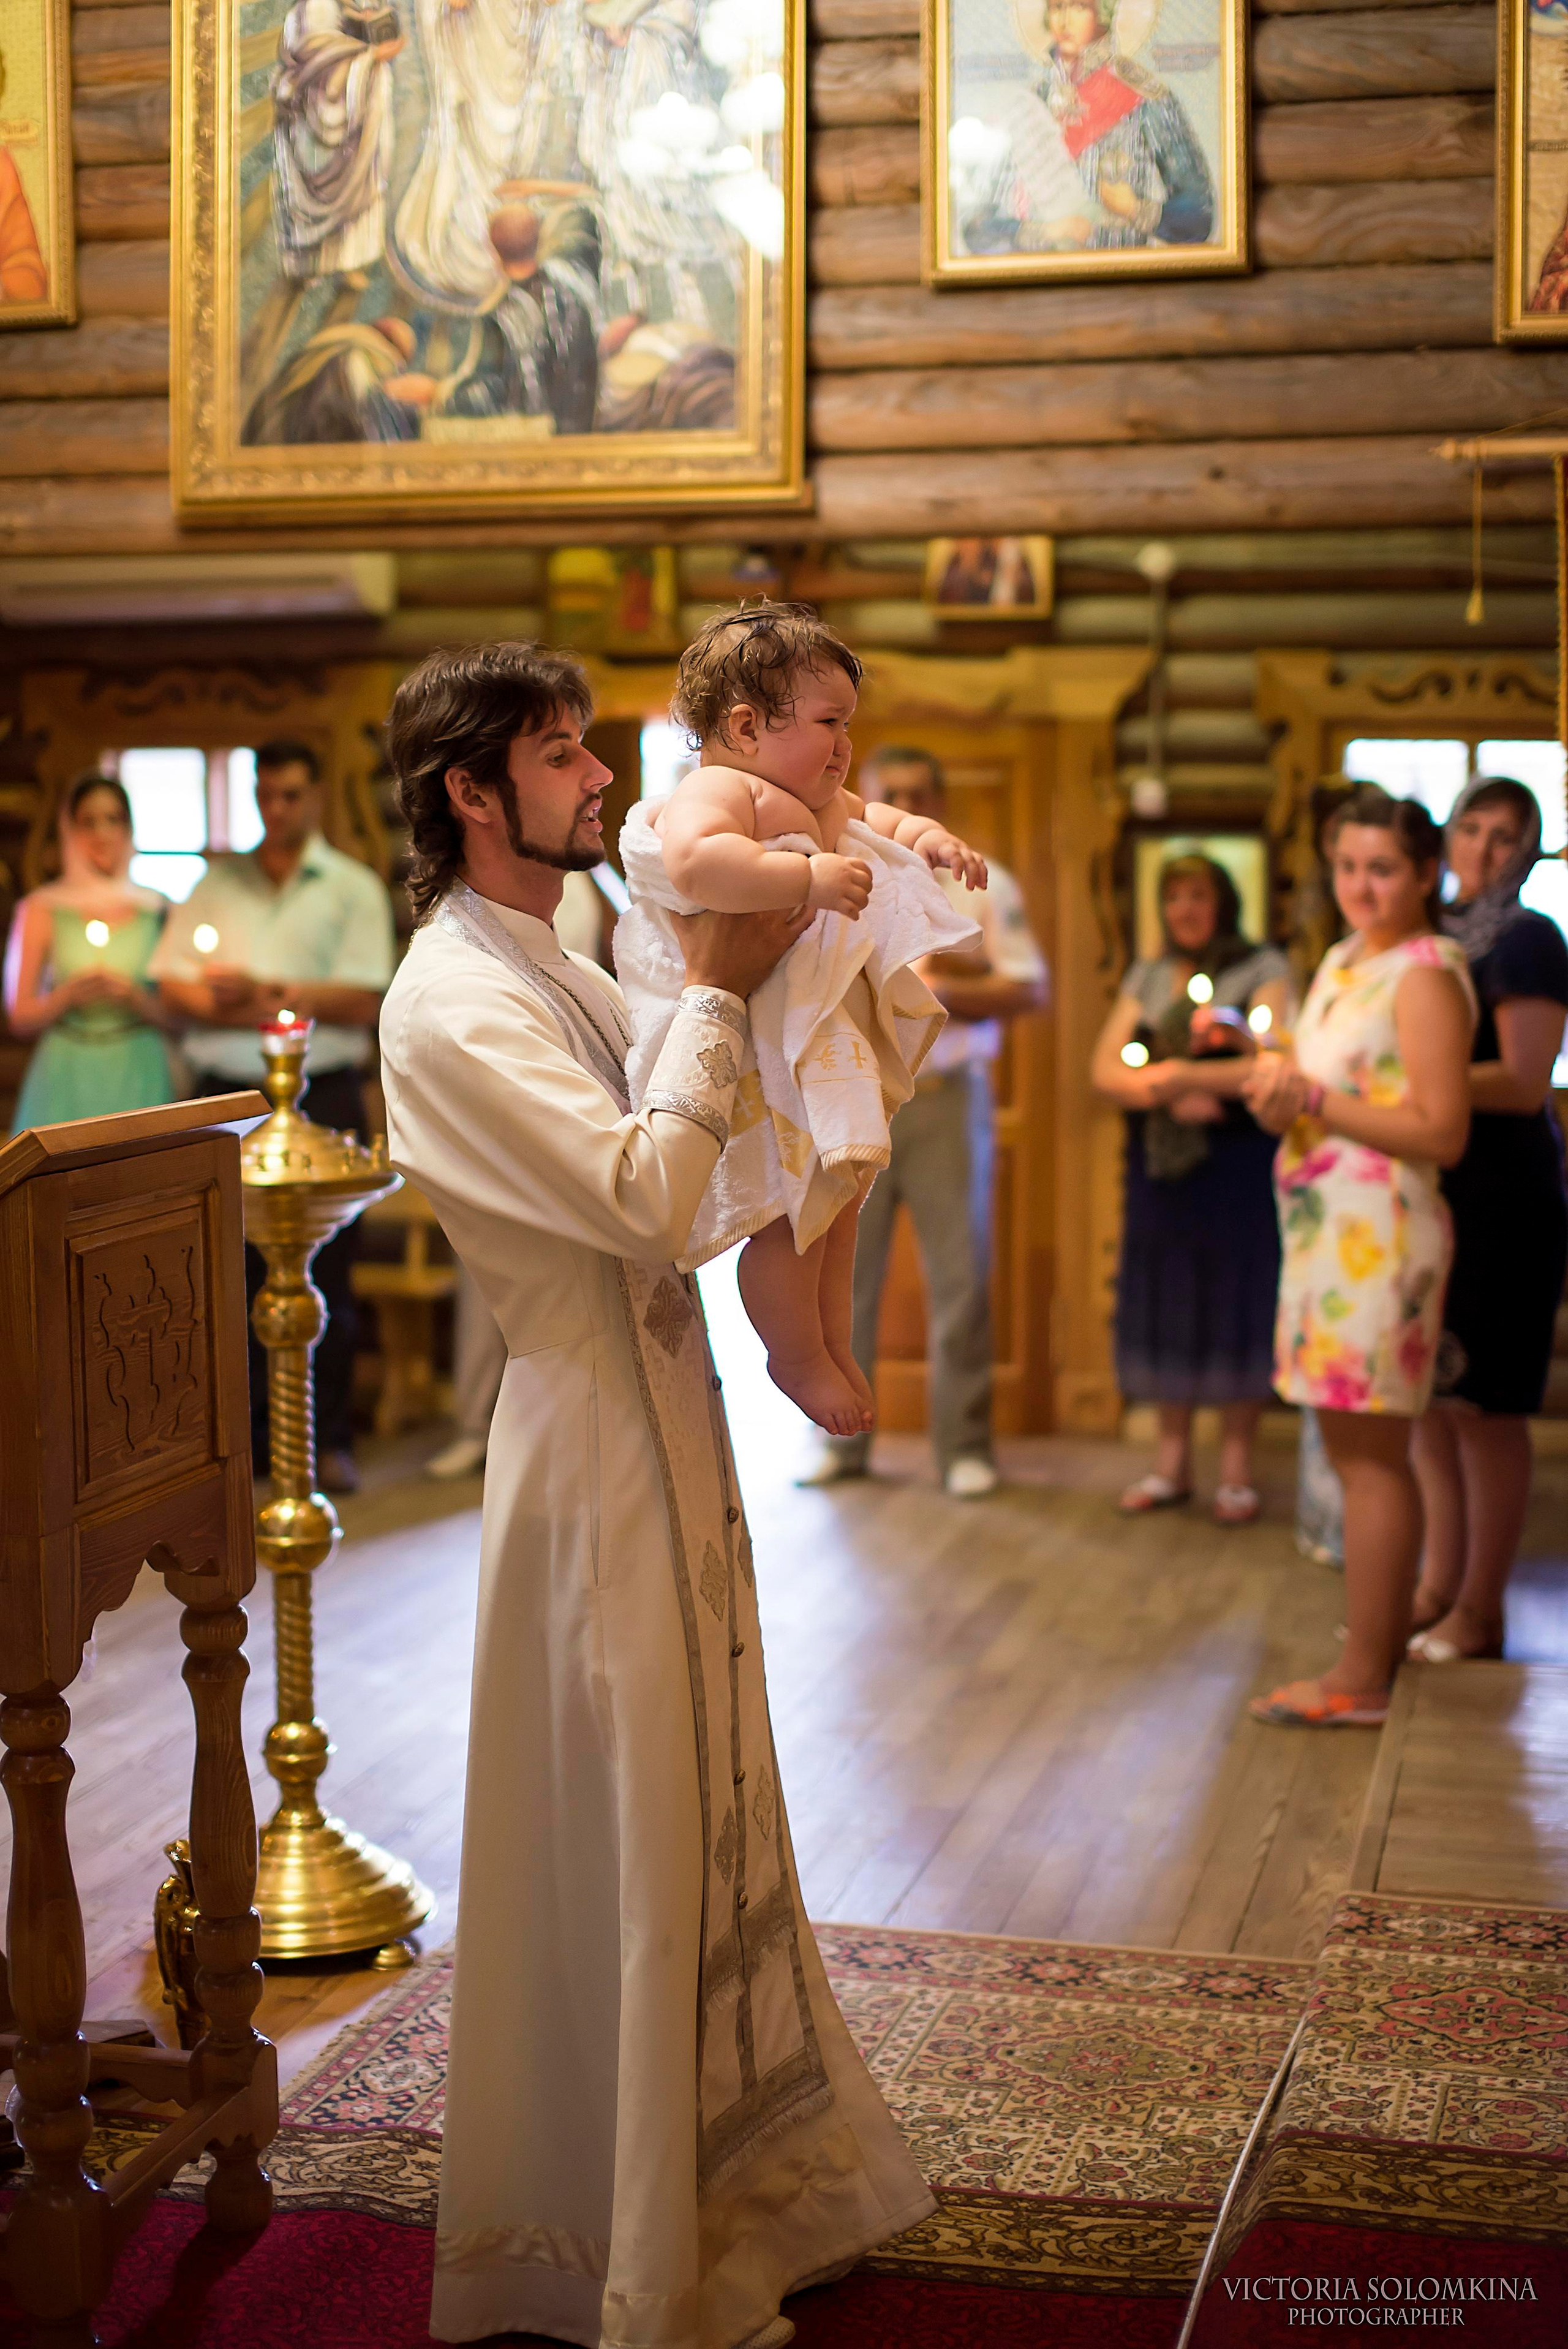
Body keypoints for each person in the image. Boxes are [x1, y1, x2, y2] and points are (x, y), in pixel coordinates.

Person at [377, 640, 935, 2348]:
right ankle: (627, 2249)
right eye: (560, 760)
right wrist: (707, 973)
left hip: (668, 1408)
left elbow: (713, 1164)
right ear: (472, 793)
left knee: (707, 1796)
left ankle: (746, 2191)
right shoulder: (451, 1001)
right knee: (625, 1810)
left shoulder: (542, 954)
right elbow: (640, 1191)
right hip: (585, 1448)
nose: (602, 780)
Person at [616, 606, 987, 1437]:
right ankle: (795, 1352)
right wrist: (807, 879)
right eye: (830, 723)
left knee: (840, 1197)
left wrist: (926, 838)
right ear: (745, 726)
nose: (846, 744)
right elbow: (694, 861)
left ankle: (830, 1337)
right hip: (756, 1048)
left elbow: (876, 825)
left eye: (848, 724)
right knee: (791, 1214)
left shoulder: (815, 797)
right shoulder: (723, 789)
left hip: (816, 1038)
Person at [1243, 789, 1476, 1729]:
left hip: (1381, 1240)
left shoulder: (1424, 973)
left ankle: (1363, 1677)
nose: (1362, 886)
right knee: (1356, 1454)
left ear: (1426, 875)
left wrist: (1313, 1101)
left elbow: (1441, 1129)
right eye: (1348, 867)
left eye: (1384, 869)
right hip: (1326, 1241)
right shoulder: (1343, 960)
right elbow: (1315, 1089)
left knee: (1374, 1460)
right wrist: (1277, 1098)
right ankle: (1368, 1657)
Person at [800, 744, 1048, 1499]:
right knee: (839, 1281)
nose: (904, 802)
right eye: (890, 793)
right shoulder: (833, 872)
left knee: (960, 1280)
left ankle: (964, 1448)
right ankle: (840, 1449)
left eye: (918, 791)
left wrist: (935, 992)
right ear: (869, 800)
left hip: (946, 1097)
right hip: (851, 1096)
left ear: (935, 799)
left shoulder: (981, 883)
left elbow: (1029, 989)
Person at [150, 740, 395, 1492]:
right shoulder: (216, 884)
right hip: (224, 1095)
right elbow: (171, 984)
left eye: (291, 795)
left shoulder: (349, 886)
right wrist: (274, 1000)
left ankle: (328, 1443)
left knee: (330, 1270)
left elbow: (363, 996)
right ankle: (238, 1446)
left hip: (321, 1091)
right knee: (225, 1274)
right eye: (265, 795)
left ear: (316, 795)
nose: (276, 809)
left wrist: (270, 992)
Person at [1409, 776, 1568, 1663]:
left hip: (1507, 1198)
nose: (1486, 848)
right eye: (1472, 827)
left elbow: (1523, 1078)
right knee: (1433, 1403)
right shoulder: (1438, 937)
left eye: (1509, 835)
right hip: (1440, 1190)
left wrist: (1406, 1089)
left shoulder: (1531, 938)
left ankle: (1481, 1607)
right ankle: (1438, 1583)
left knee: (1489, 1411)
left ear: (1531, 849)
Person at [1091, 853, 1294, 1523]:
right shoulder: (1148, 975)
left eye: (1197, 894)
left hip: (1238, 1165)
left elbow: (1270, 1067)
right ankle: (1171, 1463)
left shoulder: (1261, 968)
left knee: (1238, 1296)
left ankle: (1237, 1467)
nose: (1185, 908)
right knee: (1164, 1297)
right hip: (1162, 1170)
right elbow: (1104, 1071)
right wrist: (1174, 1090)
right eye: (1173, 896)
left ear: (1224, 901)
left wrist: (1172, 1080)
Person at [423, 864, 620, 1482]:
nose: (594, 780)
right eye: (558, 760)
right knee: (495, 1281)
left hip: (577, 1091)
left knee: (582, 1282)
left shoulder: (589, 890)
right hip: (510, 1079)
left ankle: (578, 1426)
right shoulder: (459, 938)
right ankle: (476, 1424)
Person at [5, 773, 175, 1131]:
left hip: (139, 1064)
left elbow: (181, 1016)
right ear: (70, 830)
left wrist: (133, 997)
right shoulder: (43, 908)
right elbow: (19, 1016)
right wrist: (67, 996)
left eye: (113, 819)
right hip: (66, 1068)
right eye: (89, 822)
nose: (102, 833)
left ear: (128, 828)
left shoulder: (158, 908)